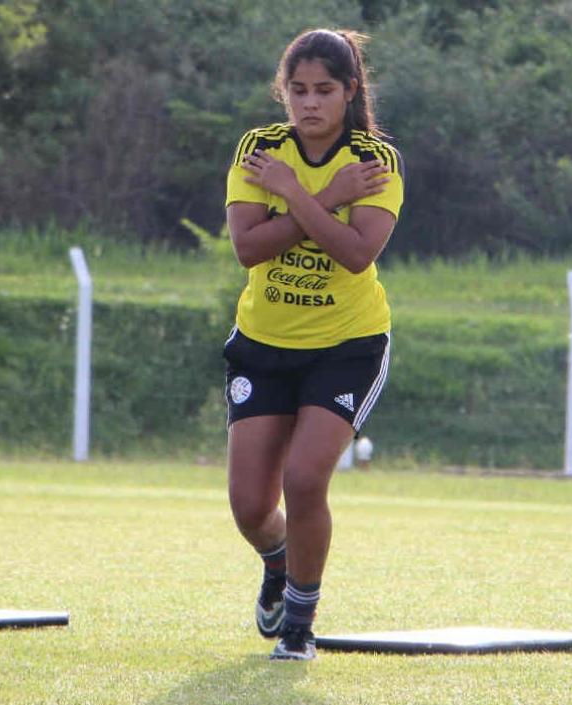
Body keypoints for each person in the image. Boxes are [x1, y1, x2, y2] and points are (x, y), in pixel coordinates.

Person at [223, 28, 403, 661]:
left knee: (303, 481)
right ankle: (279, 562)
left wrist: (293, 196)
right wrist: (324, 199)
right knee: (250, 505)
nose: (308, 103)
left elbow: (355, 254)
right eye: (297, 89)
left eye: (324, 90)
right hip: (264, 343)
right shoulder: (259, 149)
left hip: (346, 345)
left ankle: (300, 621)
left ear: (351, 92)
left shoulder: (374, 159)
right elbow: (248, 248)